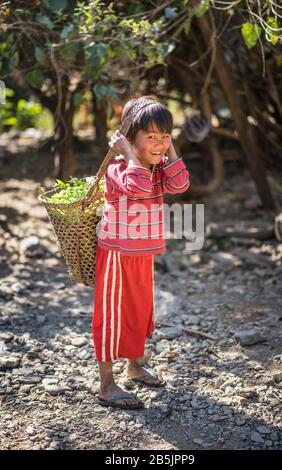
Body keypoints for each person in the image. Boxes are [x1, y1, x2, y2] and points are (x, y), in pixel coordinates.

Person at [92, 95, 190, 409]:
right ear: (130, 139)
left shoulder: (157, 164)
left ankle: (134, 366)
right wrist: (123, 152)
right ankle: (107, 385)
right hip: (118, 256)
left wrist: (167, 149)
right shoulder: (120, 167)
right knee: (112, 316)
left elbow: (180, 184)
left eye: (165, 135)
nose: (159, 143)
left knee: (140, 310)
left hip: (142, 254)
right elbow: (137, 187)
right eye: (151, 137)